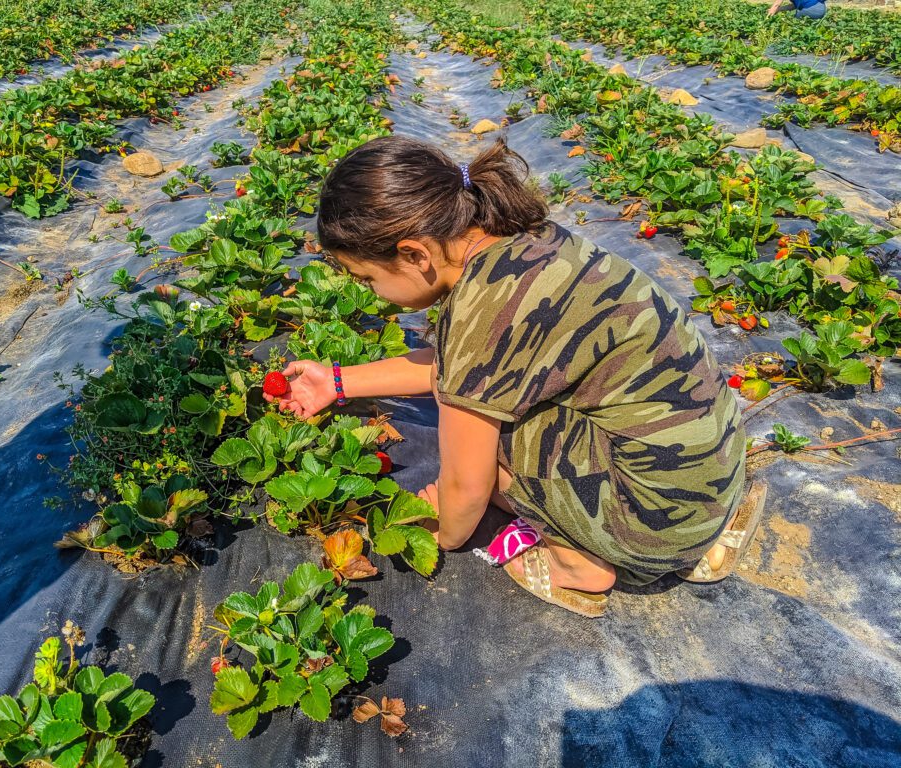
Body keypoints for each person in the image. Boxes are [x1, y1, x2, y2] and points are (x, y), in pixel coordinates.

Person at [265, 136, 755, 618]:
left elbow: (466, 485)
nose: (372, 293)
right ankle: (698, 538)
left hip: (654, 527)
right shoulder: (532, 241)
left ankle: (579, 564)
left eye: (369, 278)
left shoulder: (483, 313)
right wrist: (337, 380)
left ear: (415, 255)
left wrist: (441, 529)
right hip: (712, 476)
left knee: (488, 448)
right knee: (485, 402)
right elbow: (465, 369)